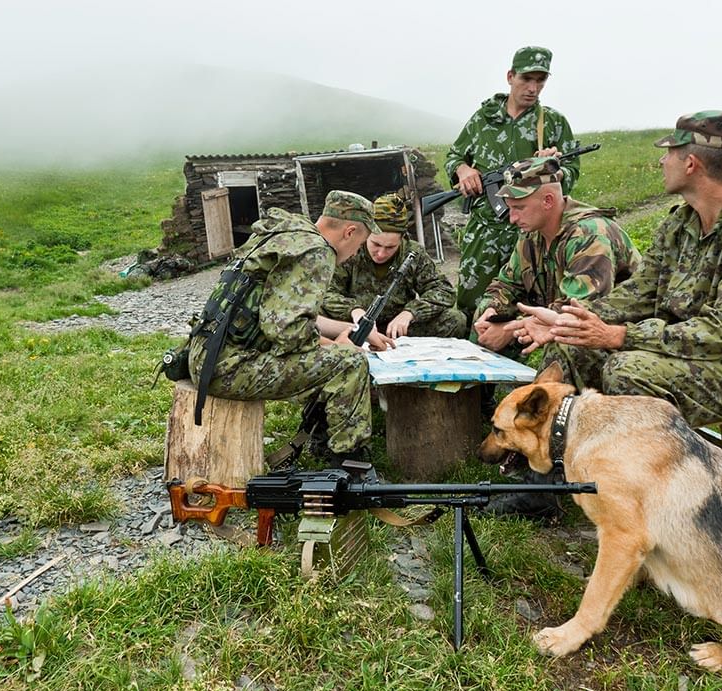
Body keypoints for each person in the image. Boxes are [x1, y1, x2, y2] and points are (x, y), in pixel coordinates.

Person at [511, 110, 722, 429]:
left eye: (669, 153)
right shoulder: (680, 222)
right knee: (571, 346)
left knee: (628, 370)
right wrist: (568, 323)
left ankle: (641, 473)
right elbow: (636, 296)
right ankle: (548, 457)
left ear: (691, 164)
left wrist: (618, 336)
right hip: (686, 350)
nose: (663, 162)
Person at [187, 190, 394, 465]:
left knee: (336, 358)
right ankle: (350, 464)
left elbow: (282, 312)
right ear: (350, 231)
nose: (357, 252)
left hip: (209, 354)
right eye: (360, 243)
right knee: (350, 363)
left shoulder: (290, 236)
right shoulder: (317, 252)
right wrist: (337, 347)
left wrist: (350, 329)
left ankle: (324, 435)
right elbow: (288, 332)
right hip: (229, 367)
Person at [445, 46, 579, 323]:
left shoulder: (552, 123)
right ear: (510, 76)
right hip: (482, 232)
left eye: (540, 81)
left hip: (527, 234)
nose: (533, 88)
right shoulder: (483, 119)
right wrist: (463, 170)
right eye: (526, 79)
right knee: (470, 306)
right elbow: (455, 155)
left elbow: (572, 173)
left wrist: (552, 169)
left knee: (523, 305)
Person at [472, 156, 641, 355]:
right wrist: (493, 309)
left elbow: (579, 310)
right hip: (558, 319)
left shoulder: (589, 234)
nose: (512, 218)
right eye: (510, 208)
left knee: (566, 342)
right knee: (484, 314)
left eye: (519, 208)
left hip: (619, 335)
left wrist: (510, 329)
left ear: (548, 201)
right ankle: (480, 382)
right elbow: (507, 284)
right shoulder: (531, 234)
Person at [321, 192, 467, 339]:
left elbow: (443, 291)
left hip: (398, 329)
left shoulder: (413, 253)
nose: (381, 254)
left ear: (402, 239)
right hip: (353, 324)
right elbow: (326, 292)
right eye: (376, 244)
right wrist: (354, 310)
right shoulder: (351, 249)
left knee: (455, 319)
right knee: (315, 318)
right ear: (366, 234)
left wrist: (410, 313)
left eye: (390, 247)